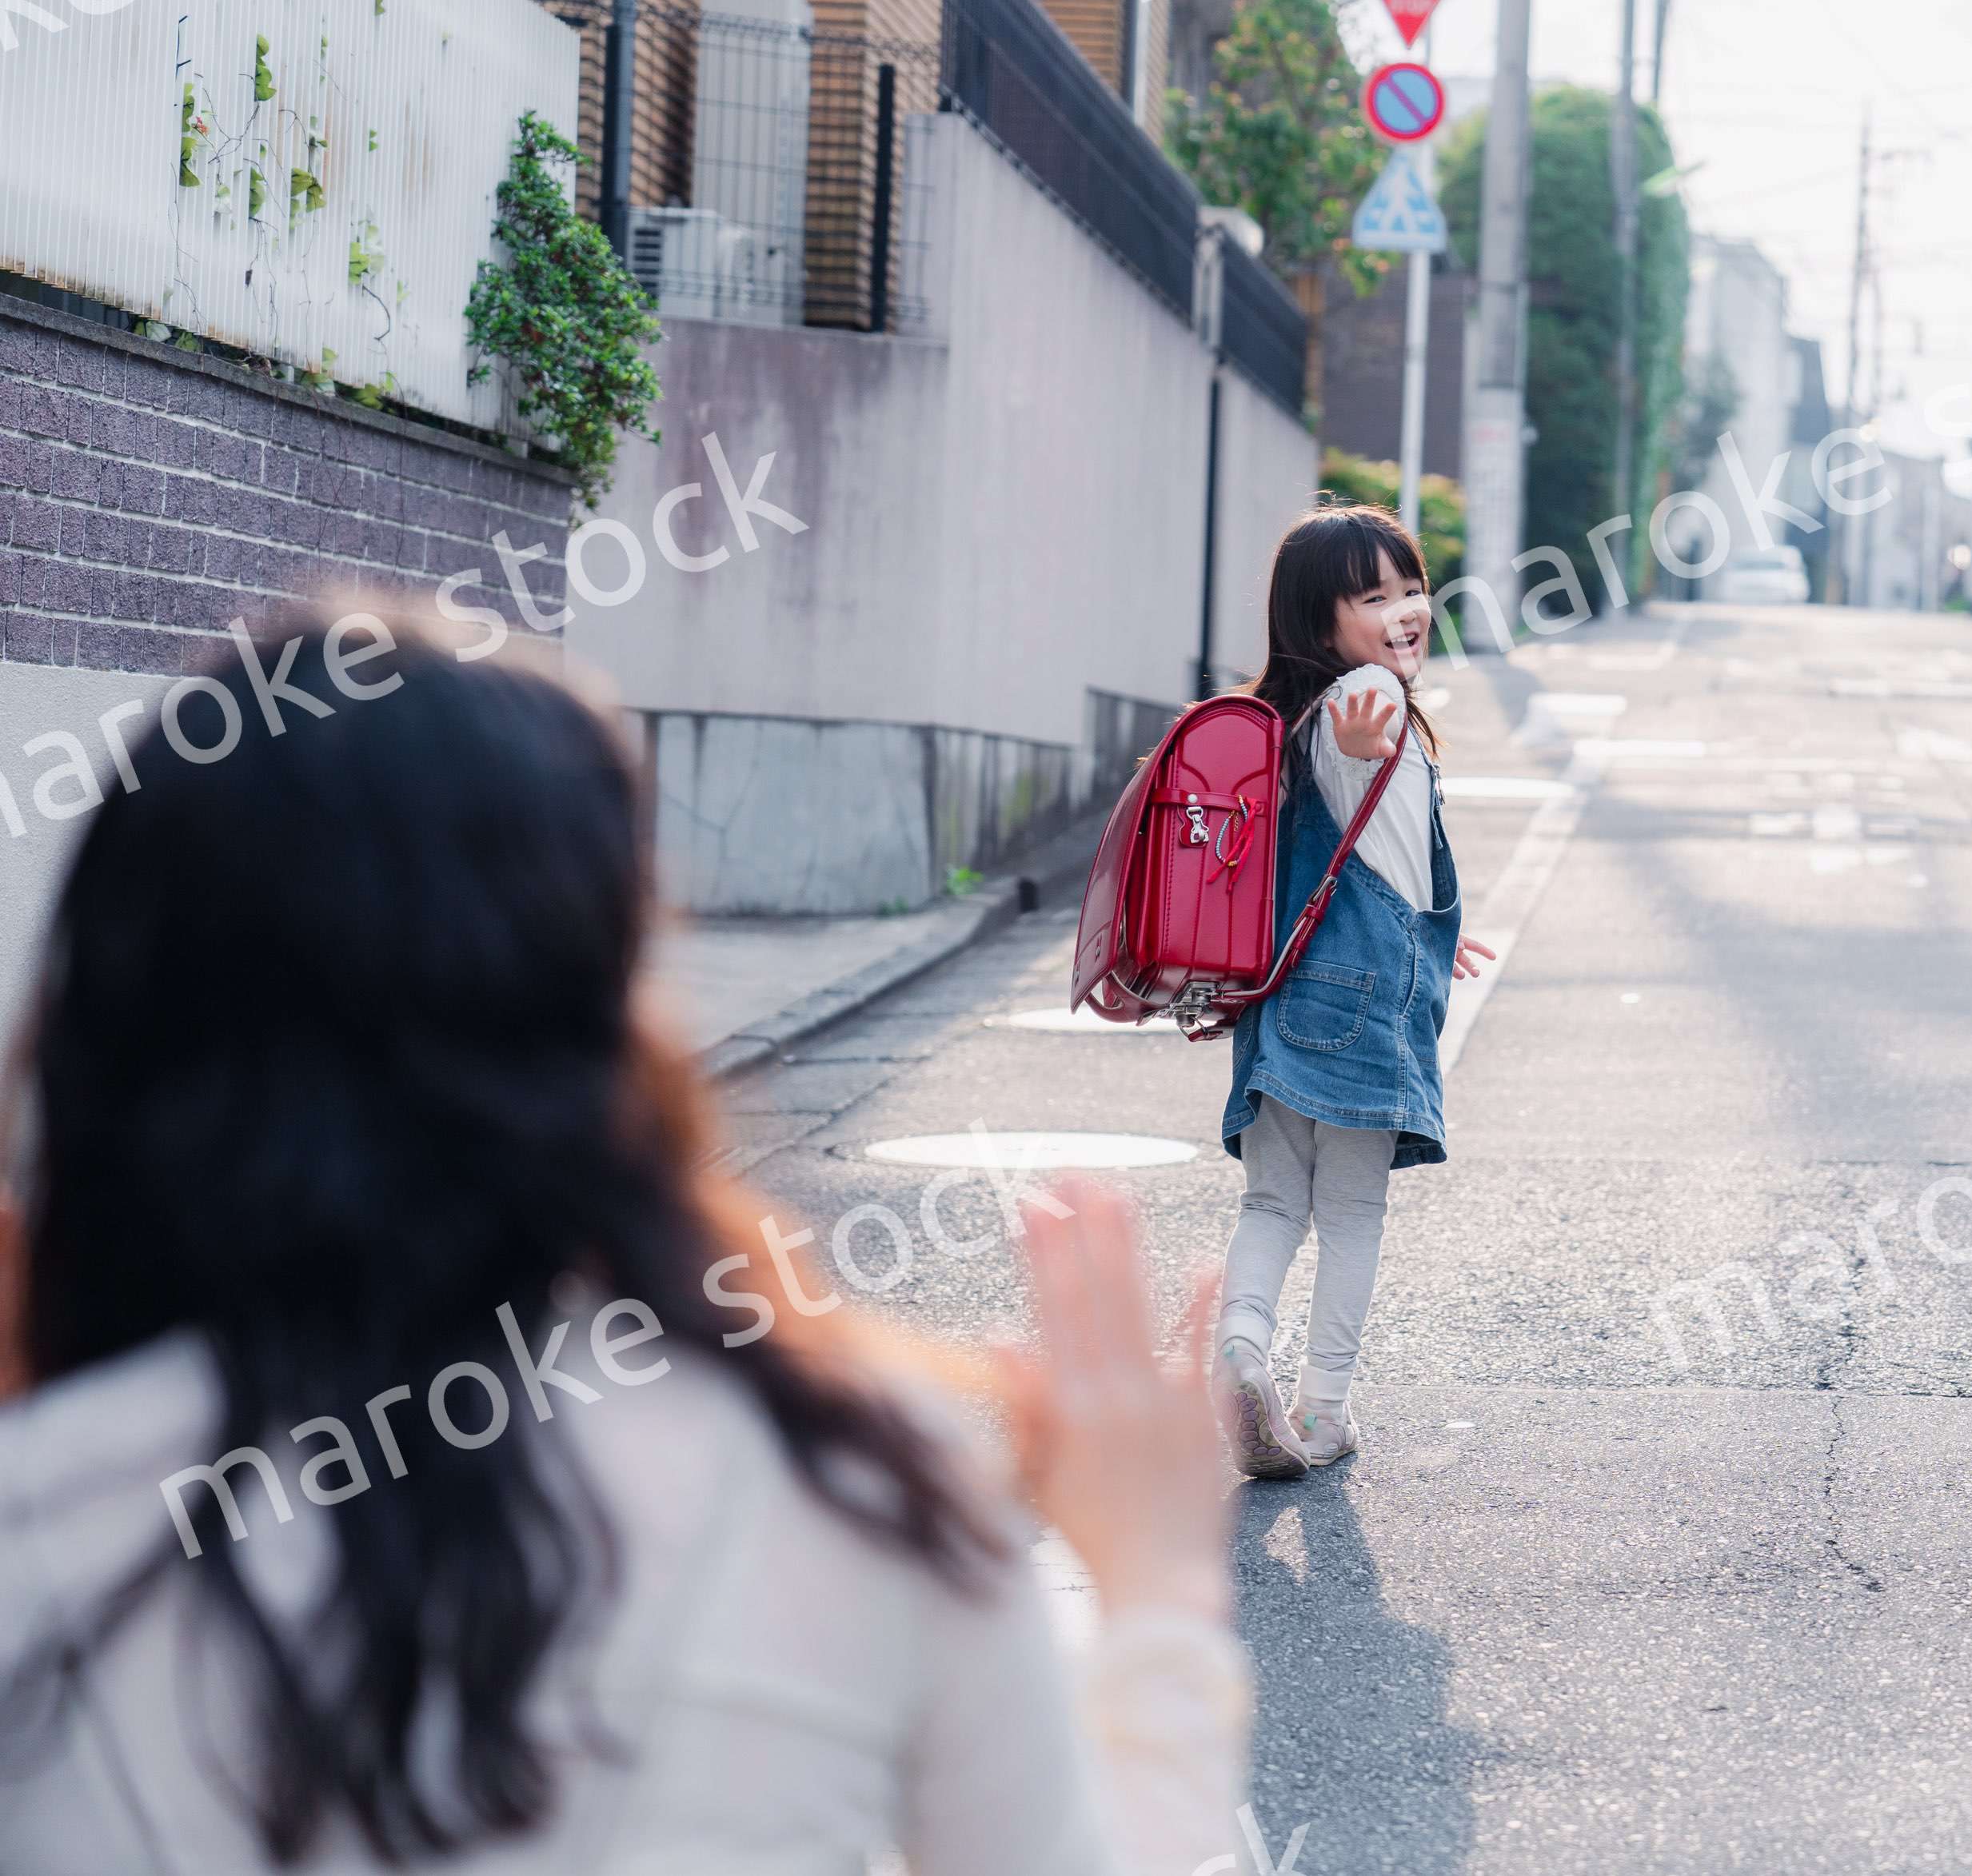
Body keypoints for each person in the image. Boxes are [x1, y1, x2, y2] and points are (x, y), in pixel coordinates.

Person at [0, 601, 1247, 1874]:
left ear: (106, 1020)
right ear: (600, 1014)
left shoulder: (46, 1517)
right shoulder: (864, 1486)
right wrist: (1157, 1590)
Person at [1214, 508, 1493, 1481]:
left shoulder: (1284, 716)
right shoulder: (1367, 698)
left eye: (1409, 586)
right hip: (1362, 1009)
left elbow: (1355, 857)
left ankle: (1241, 1350)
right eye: (1372, 598)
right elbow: (1364, 736)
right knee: (1353, 1215)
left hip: (1285, 996)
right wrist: (1371, 730)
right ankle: (1323, 1407)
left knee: (1270, 1205)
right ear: (1319, 624)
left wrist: (1439, 935)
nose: (1405, 610)